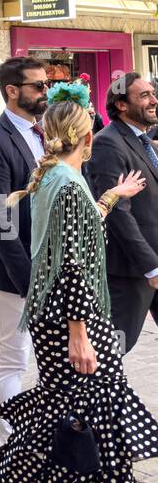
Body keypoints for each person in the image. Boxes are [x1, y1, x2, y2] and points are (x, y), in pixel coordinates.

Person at [0, 82, 158, 483]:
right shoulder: (66, 185)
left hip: (57, 317)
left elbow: (78, 232)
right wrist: (81, 334)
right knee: (99, 422)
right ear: (87, 137)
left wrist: (111, 198)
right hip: (76, 320)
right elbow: (74, 261)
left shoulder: (56, 178)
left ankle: (5, 482)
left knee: (64, 414)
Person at [0, 57, 48, 444]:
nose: (44, 92)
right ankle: (10, 447)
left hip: (46, 265)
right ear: (12, 91)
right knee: (11, 357)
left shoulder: (42, 133)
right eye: (37, 86)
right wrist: (28, 280)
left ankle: (35, 439)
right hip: (12, 272)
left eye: (45, 85)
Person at [86, 73, 158, 355]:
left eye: (152, 93)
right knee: (110, 349)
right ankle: (78, 395)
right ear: (122, 104)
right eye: (144, 96)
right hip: (132, 269)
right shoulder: (108, 143)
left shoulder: (144, 141)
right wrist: (150, 265)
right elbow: (118, 211)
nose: (153, 100)